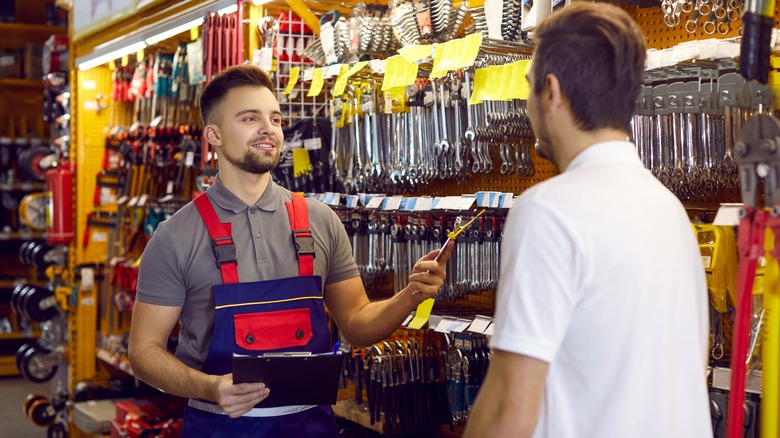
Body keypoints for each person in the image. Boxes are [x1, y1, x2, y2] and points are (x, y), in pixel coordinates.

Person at [128, 64, 453, 437]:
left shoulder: (320, 220)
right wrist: (211, 388)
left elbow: (358, 325)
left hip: (311, 426)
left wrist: (412, 293)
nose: (268, 129)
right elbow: (144, 353)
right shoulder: (175, 237)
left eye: (275, 118)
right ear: (213, 135)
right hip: (221, 426)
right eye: (250, 118)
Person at [464, 4, 711, 438]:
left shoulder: (548, 211)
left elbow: (509, 410)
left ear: (552, 92)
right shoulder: (669, 210)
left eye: (529, 87)